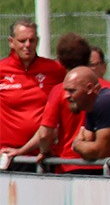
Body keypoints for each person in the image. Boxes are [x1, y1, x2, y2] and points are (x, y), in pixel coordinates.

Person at [1, 33, 110, 174]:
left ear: (60, 61)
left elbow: (45, 134)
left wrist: (41, 150)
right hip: (104, 165)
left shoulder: (60, 91)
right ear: (88, 57)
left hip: (69, 164)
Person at [0, 20, 66, 156]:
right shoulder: (2, 69)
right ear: (11, 42)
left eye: (32, 40)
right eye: (22, 41)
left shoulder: (55, 69)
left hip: (44, 153)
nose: (27, 45)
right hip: (8, 153)